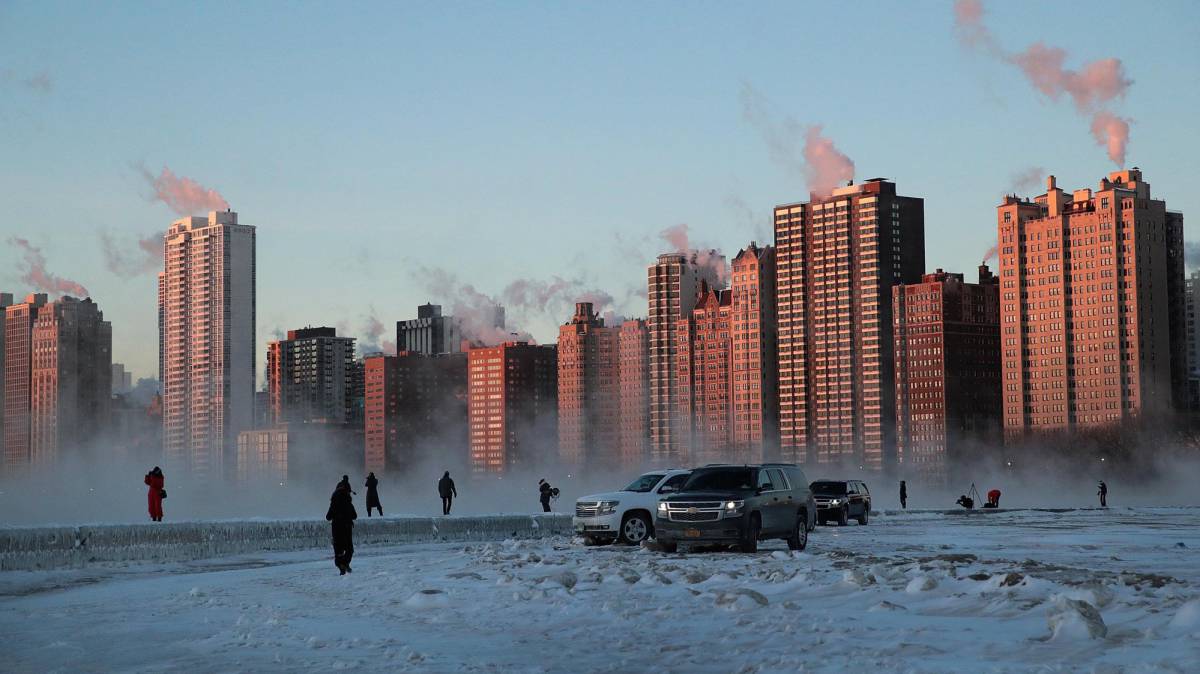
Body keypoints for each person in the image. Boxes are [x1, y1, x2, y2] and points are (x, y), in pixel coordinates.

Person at [326, 480, 358, 574]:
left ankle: (341, 566)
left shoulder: (333, 503)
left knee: (338, 549)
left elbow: (328, 517)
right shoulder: (348, 502)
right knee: (349, 549)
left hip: (336, 528)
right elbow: (354, 515)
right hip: (346, 528)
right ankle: (345, 563)